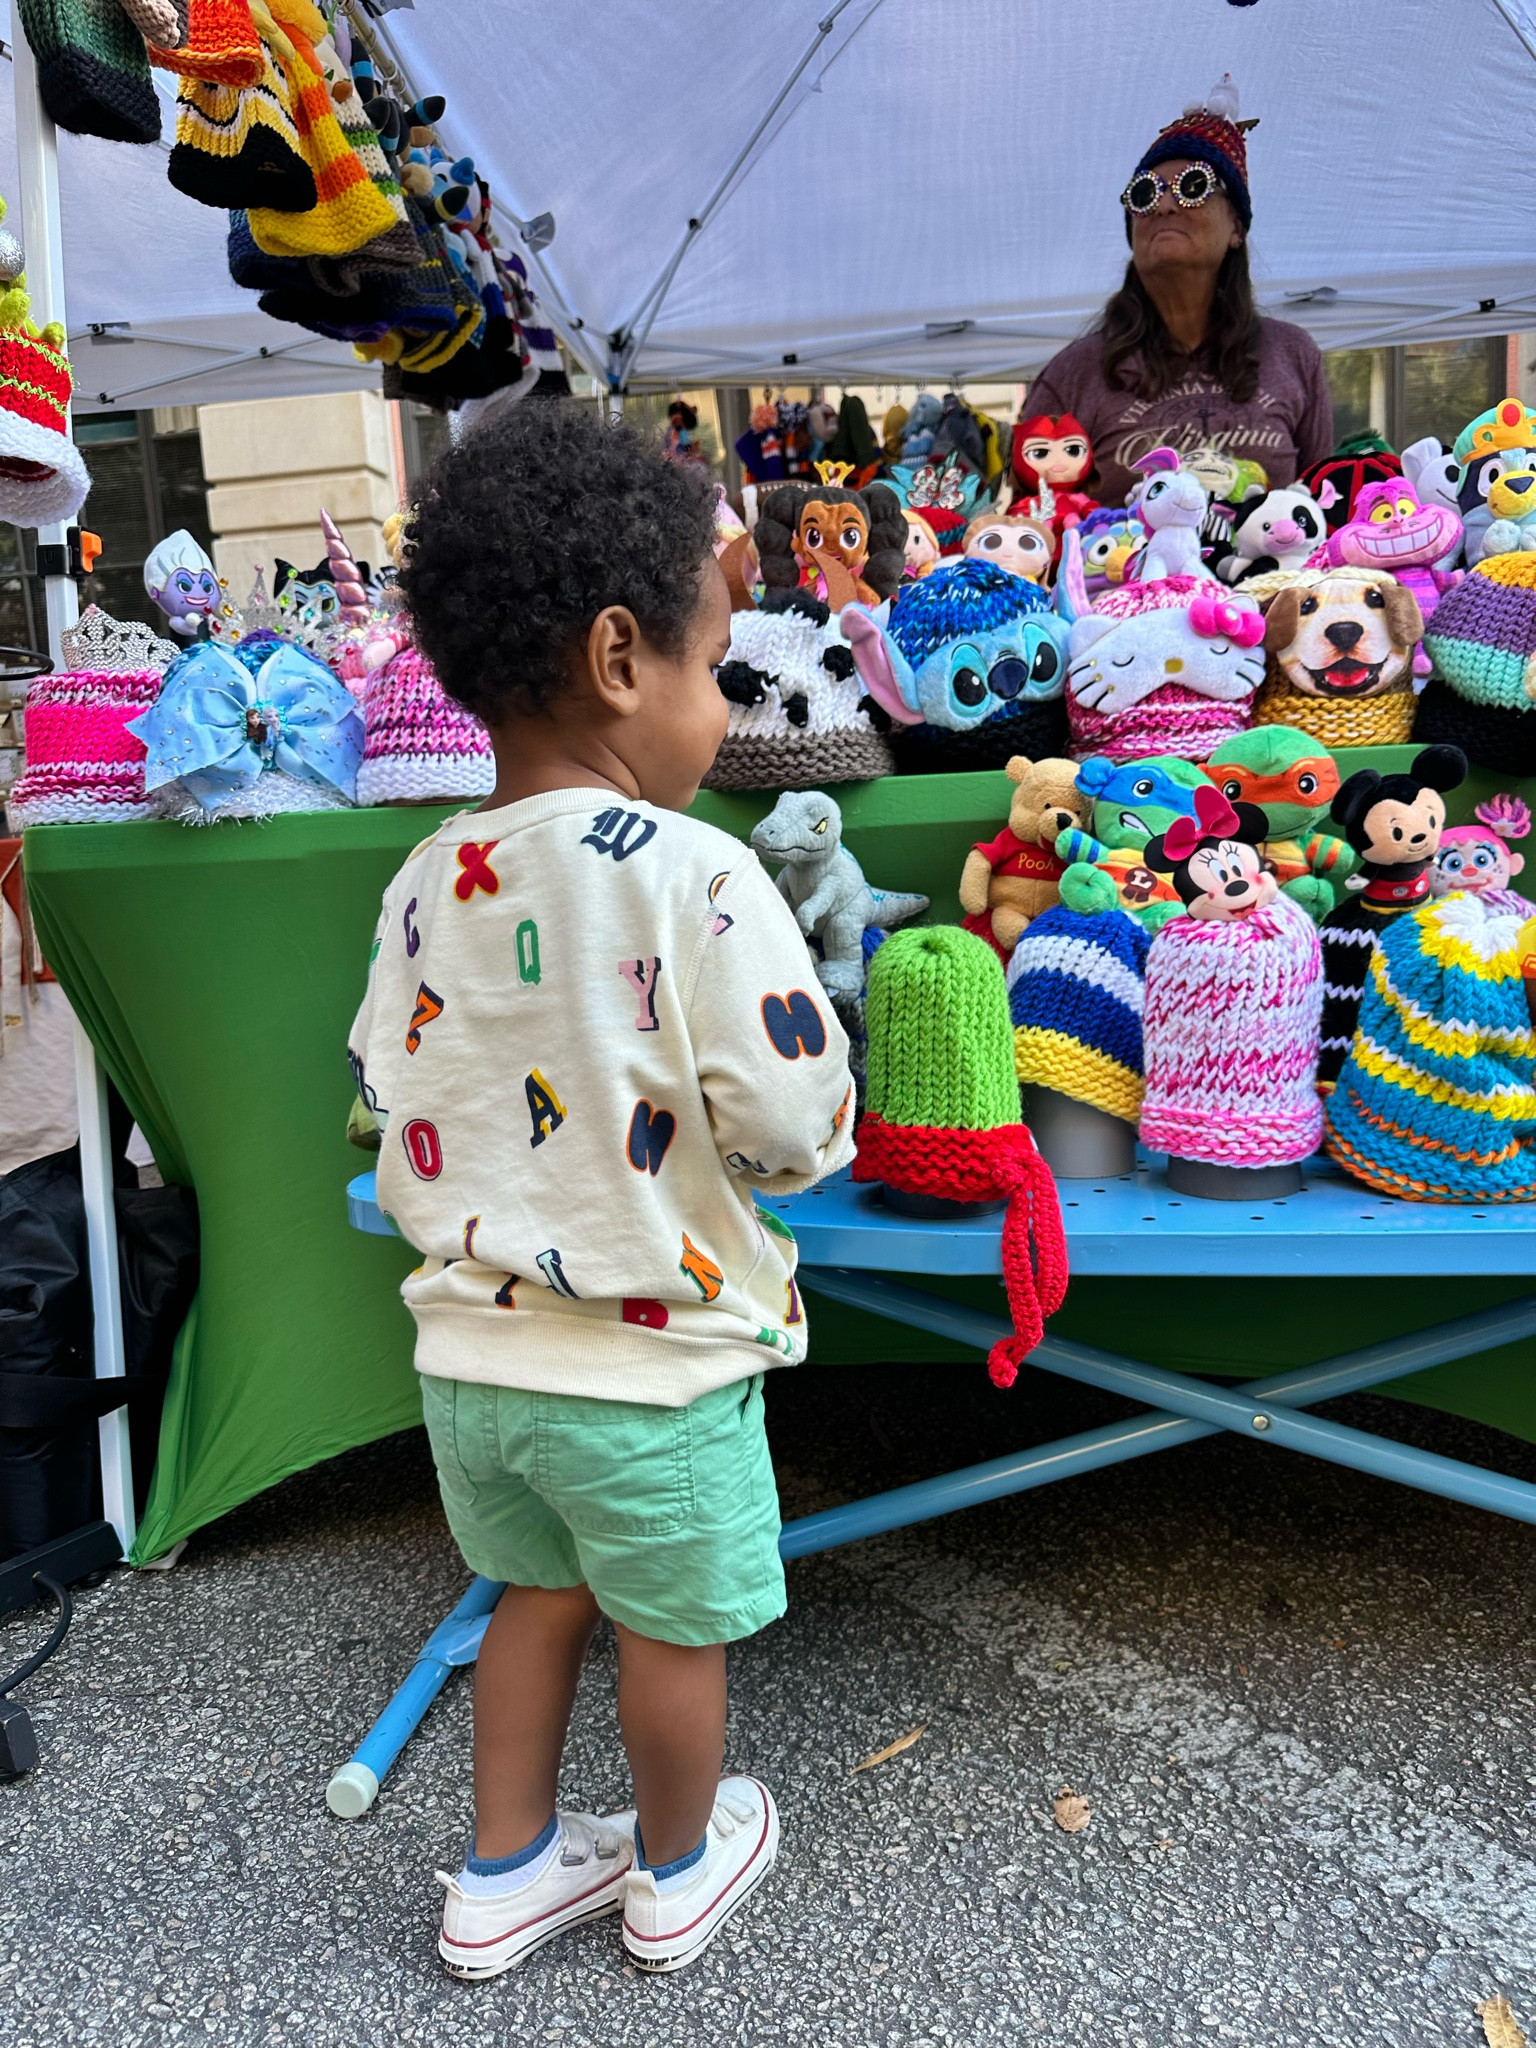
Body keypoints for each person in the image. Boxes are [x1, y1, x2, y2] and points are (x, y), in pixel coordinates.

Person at [349, 402, 855, 1979]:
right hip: (652, 1365)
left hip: (472, 1369)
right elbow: (787, 1118)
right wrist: (801, 1147)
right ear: (624, 658)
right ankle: (676, 1870)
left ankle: (500, 1871)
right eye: (713, 668)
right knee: (668, 1629)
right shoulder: (693, 868)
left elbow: (380, 1080)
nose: (718, 709)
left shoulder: (431, 868)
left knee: (530, 1598)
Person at [1025, 77, 1334, 508]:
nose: (1165, 206)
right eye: (1145, 194)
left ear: (1236, 229)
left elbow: (1327, 509)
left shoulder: (1293, 354)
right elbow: (1034, 529)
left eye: (1193, 187)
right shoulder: (1071, 376)